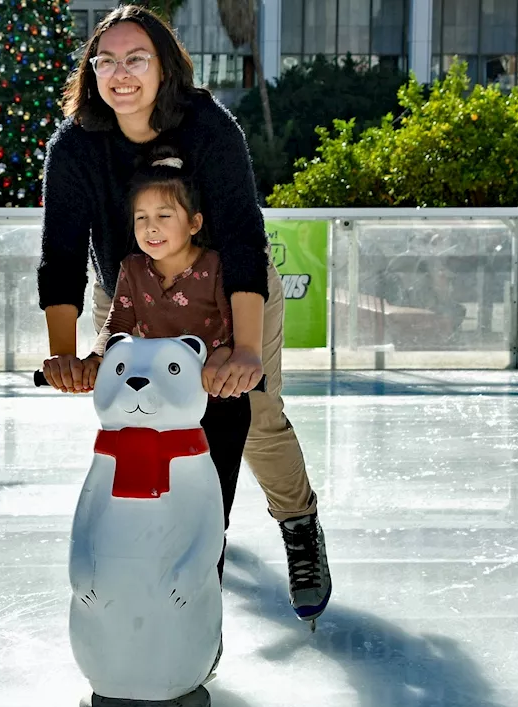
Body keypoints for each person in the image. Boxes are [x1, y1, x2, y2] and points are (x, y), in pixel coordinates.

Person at [38, 4, 331, 624]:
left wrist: (244, 351)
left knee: (253, 412)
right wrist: (66, 353)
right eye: (106, 61)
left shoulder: (206, 128)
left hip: (228, 285)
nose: (121, 74)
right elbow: (60, 252)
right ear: (91, 73)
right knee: (139, 417)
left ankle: (299, 524)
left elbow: (246, 240)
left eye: (136, 59)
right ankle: (152, 567)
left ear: (164, 68)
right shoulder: (75, 145)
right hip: (129, 286)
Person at [93, 144, 253, 579]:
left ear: (194, 222)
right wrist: (97, 358)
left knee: (209, 509)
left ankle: (205, 600)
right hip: (157, 411)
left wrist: (218, 363)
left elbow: (232, 329)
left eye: (164, 215)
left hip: (216, 406)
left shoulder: (216, 266)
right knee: (152, 506)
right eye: (142, 217)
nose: (151, 227)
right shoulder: (132, 268)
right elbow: (118, 322)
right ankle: (149, 592)